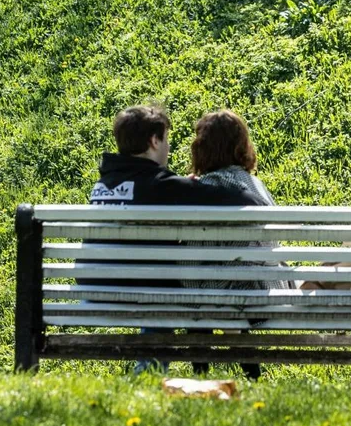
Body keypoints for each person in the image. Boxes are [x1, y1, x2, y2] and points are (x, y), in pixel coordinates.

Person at [85, 105, 262, 375]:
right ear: (154, 141)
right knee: (175, 285)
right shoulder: (160, 185)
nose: (168, 147)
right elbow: (242, 198)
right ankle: (148, 372)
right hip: (133, 288)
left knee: (163, 281)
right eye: (166, 139)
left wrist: (182, 185)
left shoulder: (104, 183)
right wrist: (191, 187)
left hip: (93, 284)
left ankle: (152, 372)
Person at [189, 109, 291, 380]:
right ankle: (252, 377)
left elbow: (190, 248)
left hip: (221, 290)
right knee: (218, 282)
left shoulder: (202, 188)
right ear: (242, 146)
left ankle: (200, 374)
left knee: (196, 284)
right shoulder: (255, 184)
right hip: (266, 286)